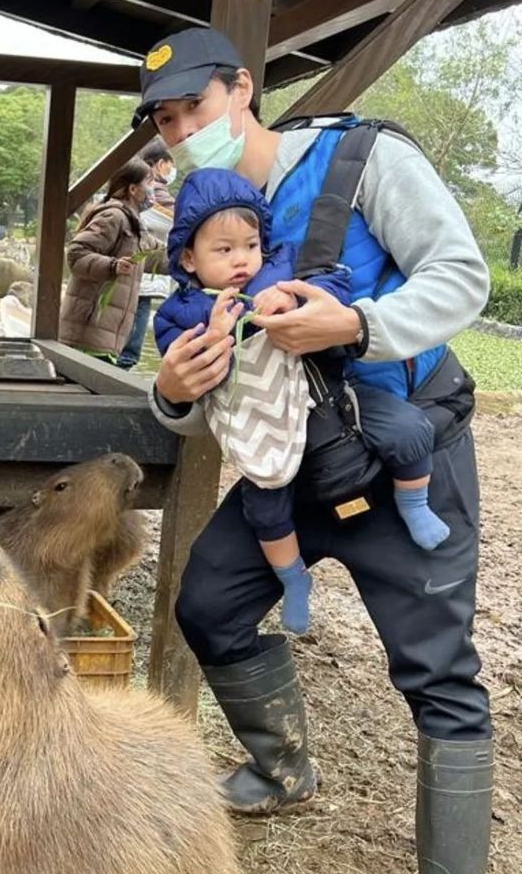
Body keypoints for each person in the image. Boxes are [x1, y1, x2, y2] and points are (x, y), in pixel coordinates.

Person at [139, 26, 492, 874]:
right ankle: (280, 764)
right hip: (285, 470)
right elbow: (189, 394)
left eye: (195, 106)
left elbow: (459, 275)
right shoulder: (196, 227)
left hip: (399, 446)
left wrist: (359, 324)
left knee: (437, 674)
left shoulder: (360, 157)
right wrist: (172, 390)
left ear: (242, 88)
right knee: (206, 603)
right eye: (164, 121)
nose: (182, 131)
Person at [153, 167, 451, 634]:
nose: (242, 260)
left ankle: (415, 502)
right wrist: (213, 337)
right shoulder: (180, 311)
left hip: (328, 400)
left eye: (251, 245)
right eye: (224, 250)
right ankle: (293, 578)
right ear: (189, 258)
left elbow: (332, 283)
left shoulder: (283, 267)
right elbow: (183, 367)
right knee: (265, 508)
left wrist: (297, 302)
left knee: (409, 428)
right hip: (259, 424)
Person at [58, 158, 159, 365]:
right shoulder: (113, 217)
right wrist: (112, 266)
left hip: (106, 339)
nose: (153, 189)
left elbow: (156, 255)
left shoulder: (135, 224)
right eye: (149, 183)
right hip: (87, 335)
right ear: (133, 189)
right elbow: (76, 254)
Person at [115, 139, 176, 371]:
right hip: (140, 278)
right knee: (128, 351)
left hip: (135, 275)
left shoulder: (137, 193)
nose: (171, 170)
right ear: (160, 164)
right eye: (170, 164)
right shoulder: (155, 194)